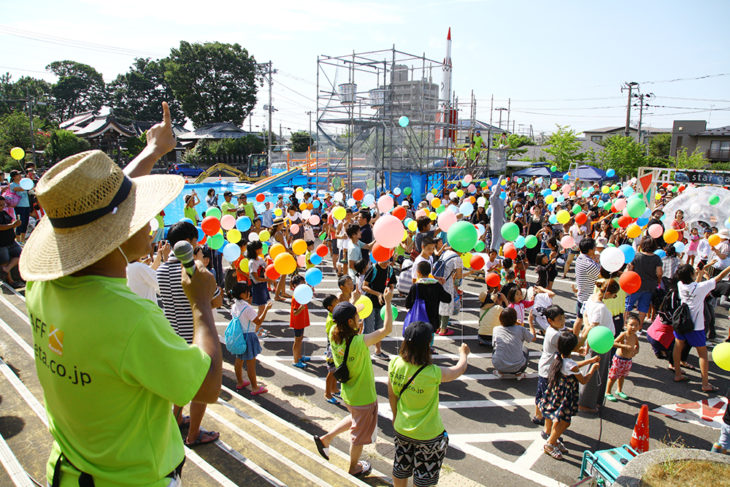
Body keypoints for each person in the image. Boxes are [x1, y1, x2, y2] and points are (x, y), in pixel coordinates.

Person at [19, 102, 222, 486]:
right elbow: (208, 386)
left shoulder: (41, 286)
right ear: (117, 233)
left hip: (68, 471)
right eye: (139, 214)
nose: (150, 221)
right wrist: (200, 304)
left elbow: (93, 210)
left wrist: (151, 151)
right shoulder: (130, 318)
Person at [313, 290, 395, 477]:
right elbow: (387, 329)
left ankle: (326, 439)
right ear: (350, 322)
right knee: (357, 438)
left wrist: (353, 301)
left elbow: (344, 316)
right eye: (357, 316)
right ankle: (354, 467)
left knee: (355, 419)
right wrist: (388, 303)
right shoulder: (359, 341)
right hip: (362, 395)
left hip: (348, 392)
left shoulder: (335, 332)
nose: (360, 317)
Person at [158, 221, 221, 446]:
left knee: (180, 383)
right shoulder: (194, 270)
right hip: (196, 335)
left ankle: (176, 419)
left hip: (172, 335)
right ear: (192, 241)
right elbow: (216, 301)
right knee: (200, 389)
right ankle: (194, 434)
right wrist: (203, 266)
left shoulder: (162, 269)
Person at [387, 322, 469, 487]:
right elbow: (458, 370)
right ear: (427, 345)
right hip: (429, 434)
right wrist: (464, 354)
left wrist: (396, 417)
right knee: (423, 479)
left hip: (402, 427)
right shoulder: (433, 372)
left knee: (400, 467)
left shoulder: (394, 363)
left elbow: (392, 395)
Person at [539, 331, 600, 460]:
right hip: (566, 396)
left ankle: (554, 440)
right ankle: (550, 444)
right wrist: (593, 368)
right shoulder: (570, 364)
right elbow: (583, 380)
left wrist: (590, 360)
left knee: (558, 419)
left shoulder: (559, 357)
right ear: (572, 348)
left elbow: (573, 365)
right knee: (565, 422)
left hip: (558, 393)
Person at [672, 263, 730, 392]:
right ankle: (705, 384)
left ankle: (677, 374)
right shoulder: (701, 287)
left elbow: (695, 286)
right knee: (702, 355)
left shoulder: (681, 285)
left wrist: (699, 273)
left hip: (681, 321)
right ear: (691, 274)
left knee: (678, 346)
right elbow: (720, 276)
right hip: (696, 326)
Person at [578, 279, 620, 413]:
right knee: (595, 372)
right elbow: (592, 326)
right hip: (599, 343)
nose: (614, 297)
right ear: (609, 293)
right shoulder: (600, 307)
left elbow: (585, 316)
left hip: (599, 342)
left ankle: (591, 401)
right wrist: (587, 345)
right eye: (614, 294)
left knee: (596, 371)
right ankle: (586, 403)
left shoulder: (592, 298)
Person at [229, 281, 272, 395]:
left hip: (238, 335)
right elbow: (258, 321)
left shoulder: (234, 305)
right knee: (251, 363)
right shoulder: (247, 308)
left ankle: (239, 382)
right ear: (242, 294)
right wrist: (266, 309)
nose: (249, 293)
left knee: (239, 360)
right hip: (248, 336)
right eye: (247, 292)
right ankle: (255, 387)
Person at [361, 259, 397, 359]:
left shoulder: (390, 269)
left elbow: (391, 285)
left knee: (380, 328)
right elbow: (364, 286)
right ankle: (363, 352)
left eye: (388, 261)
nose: (386, 264)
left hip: (382, 304)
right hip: (370, 302)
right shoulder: (373, 269)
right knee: (367, 328)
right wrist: (378, 294)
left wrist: (389, 291)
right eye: (384, 261)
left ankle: (378, 351)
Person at [405, 260, 451, 333]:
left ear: (418, 273)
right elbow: (447, 299)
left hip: (417, 321)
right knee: (429, 341)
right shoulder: (436, 285)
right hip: (432, 322)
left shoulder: (415, 287)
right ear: (429, 272)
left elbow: (407, 304)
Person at [625, 238, 662, 326]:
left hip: (635, 285)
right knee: (643, 307)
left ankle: (625, 324)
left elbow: (629, 270)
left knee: (628, 305)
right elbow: (659, 273)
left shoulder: (636, 256)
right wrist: (658, 281)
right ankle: (639, 326)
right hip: (649, 286)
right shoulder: (657, 258)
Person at [605, 314, 640, 402]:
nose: (633, 327)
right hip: (619, 359)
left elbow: (637, 345)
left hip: (628, 360)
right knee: (613, 376)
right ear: (626, 325)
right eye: (631, 325)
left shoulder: (635, 336)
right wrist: (624, 346)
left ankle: (619, 390)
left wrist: (636, 351)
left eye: (636, 325)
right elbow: (613, 343)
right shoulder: (623, 335)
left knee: (622, 376)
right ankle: (608, 392)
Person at [492, 307, 535, 379]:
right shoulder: (521, 329)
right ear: (515, 318)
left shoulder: (496, 329)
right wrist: (530, 322)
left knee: (496, 349)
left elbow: (494, 344)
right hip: (517, 367)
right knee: (525, 349)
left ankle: (500, 372)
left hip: (498, 365)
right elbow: (533, 338)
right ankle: (519, 374)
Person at [573, 238, 601, 336]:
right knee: (588, 324)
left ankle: (574, 340)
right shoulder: (590, 265)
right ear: (589, 250)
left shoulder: (580, 258)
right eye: (594, 248)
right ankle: (582, 343)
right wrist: (598, 262)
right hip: (588, 299)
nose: (595, 250)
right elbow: (601, 275)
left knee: (579, 319)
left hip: (582, 296)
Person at [322, 294, 342, 405]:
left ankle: (334, 389)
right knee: (331, 372)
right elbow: (331, 335)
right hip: (333, 348)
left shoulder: (335, 316)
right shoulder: (331, 320)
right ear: (330, 307)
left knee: (336, 370)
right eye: (336, 302)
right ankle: (327, 393)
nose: (339, 303)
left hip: (337, 347)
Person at [0, 196, 23, 285]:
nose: (2, 206)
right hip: (1, 244)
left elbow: (10, 223)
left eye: (3, 204)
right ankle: (10, 281)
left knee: (20, 255)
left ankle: (7, 270)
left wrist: (16, 224)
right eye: (0, 205)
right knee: (4, 261)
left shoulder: (4, 213)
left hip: (11, 241)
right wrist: (12, 225)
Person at [290, 274, 311, 368]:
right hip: (297, 321)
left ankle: (299, 356)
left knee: (300, 338)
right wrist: (301, 308)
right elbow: (295, 312)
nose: (304, 285)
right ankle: (295, 360)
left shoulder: (301, 293)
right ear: (295, 285)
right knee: (297, 340)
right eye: (302, 283)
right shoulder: (296, 297)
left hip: (301, 320)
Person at [8, 169, 31, 242]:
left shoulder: (22, 183)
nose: (20, 176)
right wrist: (28, 183)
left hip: (26, 205)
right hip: (19, 206)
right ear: (14, 177)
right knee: (20, 222)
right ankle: (18, 239)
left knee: (25, 222)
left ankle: (23, 239)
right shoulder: (12, 185)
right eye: (18, 175)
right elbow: (20, 189)